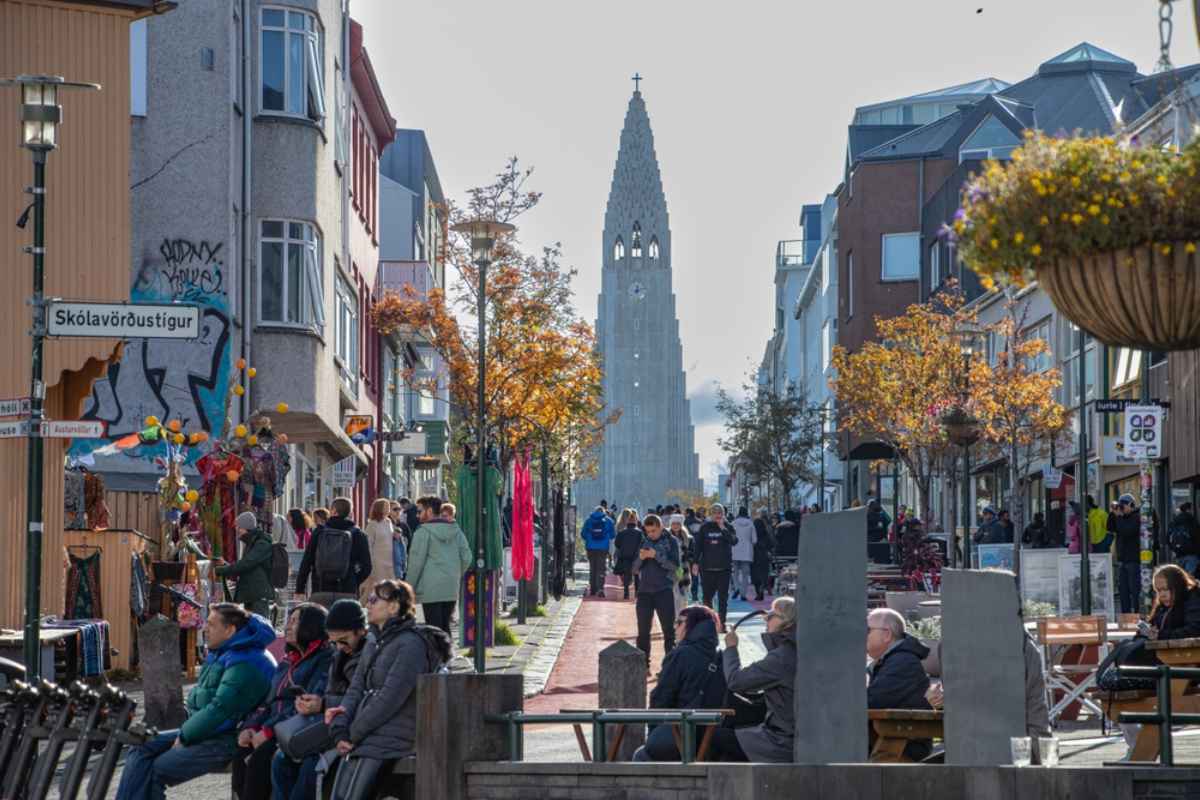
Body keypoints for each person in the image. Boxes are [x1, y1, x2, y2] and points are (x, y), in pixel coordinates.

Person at [115, 604, 276, 800]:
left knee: (155, 769)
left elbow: (221, 712)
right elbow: (204, 701)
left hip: (228, 739)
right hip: (207, 731)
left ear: (230, 630)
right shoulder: (226, 651)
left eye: (211, 625)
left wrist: (185, 736)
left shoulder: (247, 661)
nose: (204, 629)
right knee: (140, 746)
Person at [325, 580, 452, 793]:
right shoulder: (375, 641)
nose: (368, 605)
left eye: (374, 600)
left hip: (391, 737)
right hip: (367, 735)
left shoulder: (412, 644)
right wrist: (340, 729)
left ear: (393, 607)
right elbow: (355, 689)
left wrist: (352, 734)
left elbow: (390, 698)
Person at [232, 604, 332, 800]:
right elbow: (268, 702)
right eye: (289, 620)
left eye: (295, 621)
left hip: (294, 730)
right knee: (240, 753)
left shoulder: (323, 660)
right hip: (272, 727)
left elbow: (302, 705)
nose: (288, 626)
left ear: (311, 626)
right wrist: (251, 726)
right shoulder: (287, 661)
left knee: (261, 761)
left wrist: (268, 731)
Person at [271, 599, 369, 800]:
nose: (340, 647)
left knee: (310, 765)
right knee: (281, 759)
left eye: (344, 640)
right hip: (331, 725)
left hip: (353, 729)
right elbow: (331, 691)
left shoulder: (369, 655)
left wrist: (323, 704)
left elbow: (363, 698)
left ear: (361, 631)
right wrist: (314, 701)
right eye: (335, 642)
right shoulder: (338, 656)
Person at [633, 605, 723, 762]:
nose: (675, 627)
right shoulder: (721, 657)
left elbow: (661, 697)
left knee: (641, 755)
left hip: (683, 734)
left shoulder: (680, 655)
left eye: (679, 622)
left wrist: (653, 732)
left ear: (692, 625)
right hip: (713, 736)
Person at [715, 597, 797, 762]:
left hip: (781, 741)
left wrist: (731, 648)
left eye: (771, 614)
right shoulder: (793, 649)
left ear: (786, 622)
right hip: (791, 735)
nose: (766, 618)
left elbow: (735, 681)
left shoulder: (783, 656)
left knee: (713, 739)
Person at [866, 608, 932, 761]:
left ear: (887, 634)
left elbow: (872, 701)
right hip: (889, 737)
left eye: (867, 630)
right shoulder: (892, 660)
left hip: (902, 745)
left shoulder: (903, 662)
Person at [406, 495, 472, 636]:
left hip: (431, 588)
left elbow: (416, 564)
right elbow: (467, 557)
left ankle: (439, 657)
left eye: (420, 511)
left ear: (429, 511)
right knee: (444, 626)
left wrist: (408, 588)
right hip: (451, 586)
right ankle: (447, 655)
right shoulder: (456, 530)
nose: (417, 515)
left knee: (433, 629)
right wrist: (455, 573)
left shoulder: (423, 532)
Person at [296, 497, 373, 597]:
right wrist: (353, 581)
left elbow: (307, 561)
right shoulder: (358, 534)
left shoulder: (319, 532)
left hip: (320, 588)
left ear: (333, 511)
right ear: (350, 513)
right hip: (347, 589)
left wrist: (300, 589)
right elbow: (367, 566)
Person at [632, 514, 681, 665]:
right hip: (645, 591)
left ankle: (669, 665)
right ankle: (643, 662)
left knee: (668, 631)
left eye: (653, 531)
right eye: (648, 531)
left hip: (663, 590)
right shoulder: (643, 540)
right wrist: (642, 558)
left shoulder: (671, 541)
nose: (651, 534)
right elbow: (634, 569)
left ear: (660, 527)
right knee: (643, 631)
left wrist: (656, 556)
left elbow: (674, 566)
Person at [215, 512, 276, 617]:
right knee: (251, 626)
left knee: (259, 626)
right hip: (251, 594)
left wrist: (221, 570)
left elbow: (246, 564)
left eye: (239, 527)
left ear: (246, 527)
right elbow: (246, 565)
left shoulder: (262, 544)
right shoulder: (252, 542)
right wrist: (226, 565)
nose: (237, 530)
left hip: (258, 595)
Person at [696, 504, 737, 625]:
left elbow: (734, 541)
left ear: (723, 514)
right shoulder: (704, 527)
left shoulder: (728, 526)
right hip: (707, 568)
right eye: (715, 513)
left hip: (724, 568)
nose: (717, 515)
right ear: (711, 514)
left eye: (720, 513)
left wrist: (722, 527)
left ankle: (722, 622)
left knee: (723, 598)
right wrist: (695, 562)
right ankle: (709, 622)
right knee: (707, 598)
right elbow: (698, 546)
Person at [361, 499, 396, 603]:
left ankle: (384, 610)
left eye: (389, 507)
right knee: (375, 589)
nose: (388, 509)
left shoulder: (389, 522)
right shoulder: (372, 524)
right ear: (379, 509)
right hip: (377, 562)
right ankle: (364, 606)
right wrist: (370, 563)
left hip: (390, 561)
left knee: (389, 589)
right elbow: (368, 545)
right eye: (385, 507)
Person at [1113, 494, 1143, 614]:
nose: (1121, 508)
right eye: (1120, 506)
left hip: (1133, 559)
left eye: (1123, 506)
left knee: (1135, 590)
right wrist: (1114, 514)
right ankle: (1125, 616)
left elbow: (1127, 531)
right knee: (1123, 590)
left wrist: (1119, 518)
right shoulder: (1121, 517)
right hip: (1123, 559)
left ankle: (1137, 614)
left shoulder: (1137, 517)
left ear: (1131, 505)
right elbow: (1109, 527)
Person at [583, 505, 616, 598]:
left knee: (592, 567)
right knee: (601, 568)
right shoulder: (609, 521)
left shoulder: (588, 520)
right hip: (603, 548)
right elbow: (613, 535)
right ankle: (600, 588)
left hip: (590, 548)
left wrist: (589, 539)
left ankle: (593, 589)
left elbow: (583, 534)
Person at [614, 509, 643, 600]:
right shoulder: (639, 532)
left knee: (626, 575)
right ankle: (637, 593)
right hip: (636, 556)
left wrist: (622, 549)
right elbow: (643, 543)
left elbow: (617, 543)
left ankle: (626, 592)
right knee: (636, 574)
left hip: (625, 556)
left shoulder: (622, 532)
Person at [667, 514, 693, 614]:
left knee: (683, 593)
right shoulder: (666, 536)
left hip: (683, 568)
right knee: (673, 593)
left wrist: (687, 556)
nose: (675, 526)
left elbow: (691, 553)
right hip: (671, 568)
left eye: (678, 524)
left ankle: (681, 615)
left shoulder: (687, 537)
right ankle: (674, 616)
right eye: (673, 524)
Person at [730, 506, 756, 601]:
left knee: (735, 572)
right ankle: (743, 594)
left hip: (735, 551)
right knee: (745, 574)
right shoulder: (751, 524)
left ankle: (737, 588)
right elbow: (754, 540)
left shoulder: (733, 523)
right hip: (747, 552)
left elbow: (729, 537)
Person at [1170, 502, 1200, 576]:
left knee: (1181, 577)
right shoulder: (1192, 521)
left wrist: (1174, 548)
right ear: (1189, 510)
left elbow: (1168, 537)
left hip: (1179, 554)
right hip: (1192, 554)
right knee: (1190, 578)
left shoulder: (1174, 521)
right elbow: (1197, 537)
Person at [751, 511, 775, 601]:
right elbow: (772, 544)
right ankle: (762, 587)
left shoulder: (753, 535)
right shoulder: (766, 534)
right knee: (764, 574)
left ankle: (758, 591)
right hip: (764, 556)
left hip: (754, 556)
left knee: (755, 575)